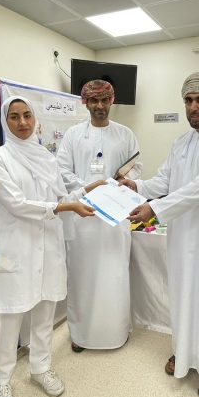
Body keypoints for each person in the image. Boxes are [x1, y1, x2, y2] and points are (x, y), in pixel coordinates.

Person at [123, 72, 199, 397]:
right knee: (183, 295)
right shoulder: (181, 143)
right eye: (188, 100)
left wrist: (155, 209)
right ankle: (185, 354)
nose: (193, 107)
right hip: (182, 236)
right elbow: (164, 181)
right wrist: (137, 186)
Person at [0, 95, 102, 397]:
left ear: (35, 119)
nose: (22, 122)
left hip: (48, 247)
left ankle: (40, 368)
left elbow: (61, 197)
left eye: (27, 115)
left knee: (44, 316)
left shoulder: (46, 158)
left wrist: (86, 190)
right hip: (17, 249)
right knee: (9, 320)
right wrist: (64, 206)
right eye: (14, 117)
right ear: (5, 121)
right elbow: (16, 204)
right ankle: (1, 382)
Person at [56, 79, 142, 352]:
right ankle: (81, 335)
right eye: (94, 101)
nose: (100, 106)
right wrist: (88, 189)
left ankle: (116, 332)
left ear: (112, 101)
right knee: (82, 278)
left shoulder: (125, 134)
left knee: (114, 277)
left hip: (115, 219)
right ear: (85, 103)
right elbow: (62, 171)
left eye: (105, 100)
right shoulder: (73, 135)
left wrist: (119, 186)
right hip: (83, 218)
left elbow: (136, 168)